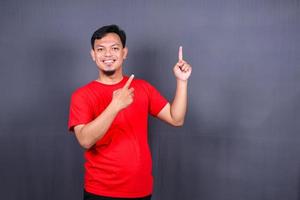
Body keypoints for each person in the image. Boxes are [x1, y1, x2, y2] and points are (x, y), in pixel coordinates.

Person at [68, 24, 192, 200]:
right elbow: (85, 140)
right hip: (101, 191)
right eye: (101, 49)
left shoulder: (143, 88)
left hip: (141, 190)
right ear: (93, 55)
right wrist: (115, 105)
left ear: (124, 53)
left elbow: (176, 118)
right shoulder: (82, 95)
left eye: (115, 48)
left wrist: (182, 82)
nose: (108, 54)